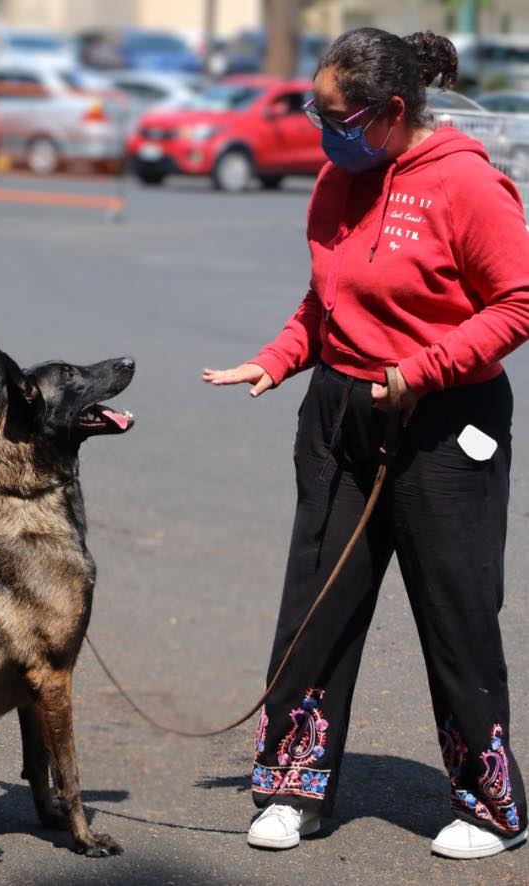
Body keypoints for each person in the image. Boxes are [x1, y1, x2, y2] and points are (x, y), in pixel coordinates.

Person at [203, 28, 528, 860]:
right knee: (317, 602)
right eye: (316, 109)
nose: (322, 126)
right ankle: (291, 785)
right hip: (341, 412)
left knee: (456, 616)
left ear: (390, 111)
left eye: (334, 114)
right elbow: (327, 298)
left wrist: (427, 366)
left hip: (446, 424)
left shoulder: (466, 185)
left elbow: (517, 304)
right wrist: (279, 359)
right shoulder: (339, 176)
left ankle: (490, 807)